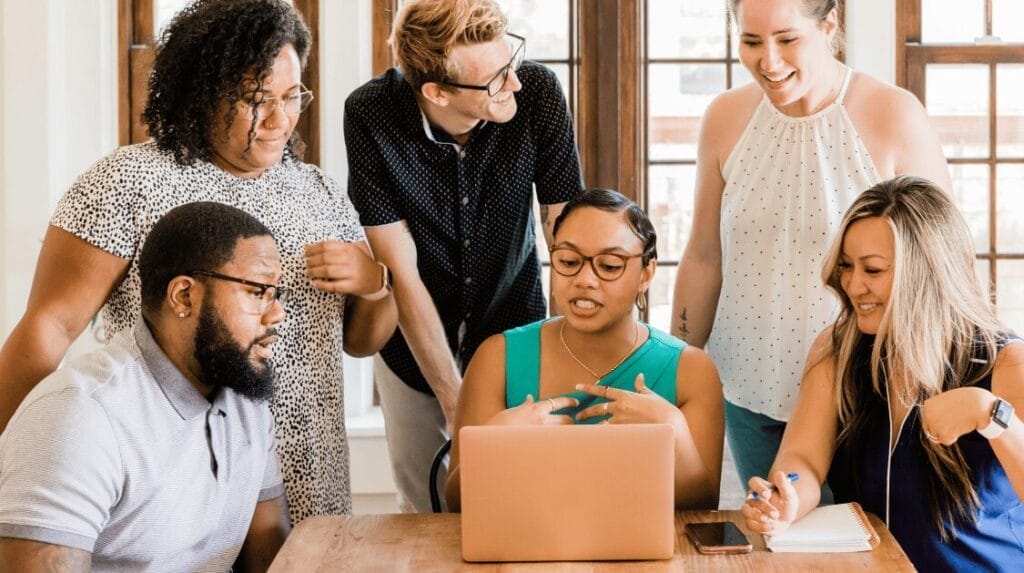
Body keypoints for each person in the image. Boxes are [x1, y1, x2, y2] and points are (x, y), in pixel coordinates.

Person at [0, 0, 397, 522]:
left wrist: (374, 284)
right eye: (258, 100)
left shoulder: (318, 190)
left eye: (292, 95)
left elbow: (361, 341)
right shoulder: (127, 181)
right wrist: (10, 455)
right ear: (203, 91)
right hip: (183, 479)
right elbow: (48, 326)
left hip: (311, 472)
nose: (281, 118)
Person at [670, 0, 953, 493]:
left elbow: (945, 263)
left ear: (829, 25)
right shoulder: (724, 118)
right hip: (748, 392)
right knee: (777, 548)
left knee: (869, 553)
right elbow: (703, 256)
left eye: (787, 39)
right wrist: (673, 366)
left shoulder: (893, 115)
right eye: (751, 42)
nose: (769, 62)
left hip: (868, 395)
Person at [344, 0, 583, 513]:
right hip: (411, 344)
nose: (513, 84)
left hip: (512, 324)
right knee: (426, 506)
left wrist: (574, 361)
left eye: (511, 66)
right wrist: (457, 405)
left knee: (519, 500)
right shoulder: (370, 114)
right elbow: (399, 270)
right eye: (495, 80)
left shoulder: (536, 93)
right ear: (437, 92)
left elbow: (567, 238)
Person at [741, 176, 1024, 571]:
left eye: (873, 270)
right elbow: (802, 458)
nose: (853, 285)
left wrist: (991, 415)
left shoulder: (1005, 363)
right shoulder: (837, 349)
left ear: (926, 272)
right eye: (846, 266)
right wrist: (785, 496)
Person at [0, 202, 291, 572]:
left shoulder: (246, 404)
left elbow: (273, 563)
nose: (277, 313)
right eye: (257, 291)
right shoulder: (79, 416)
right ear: (184, 295)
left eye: (275, 293)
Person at [445, 189, 723, 511]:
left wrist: (673, 434)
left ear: (646, 274)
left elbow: (702, 508)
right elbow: (456, 503)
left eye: (608, 265)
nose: (585, 279)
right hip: (525, 552)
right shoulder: (497, 358)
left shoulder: (692, 371)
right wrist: (495, 445)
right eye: (568, 261)